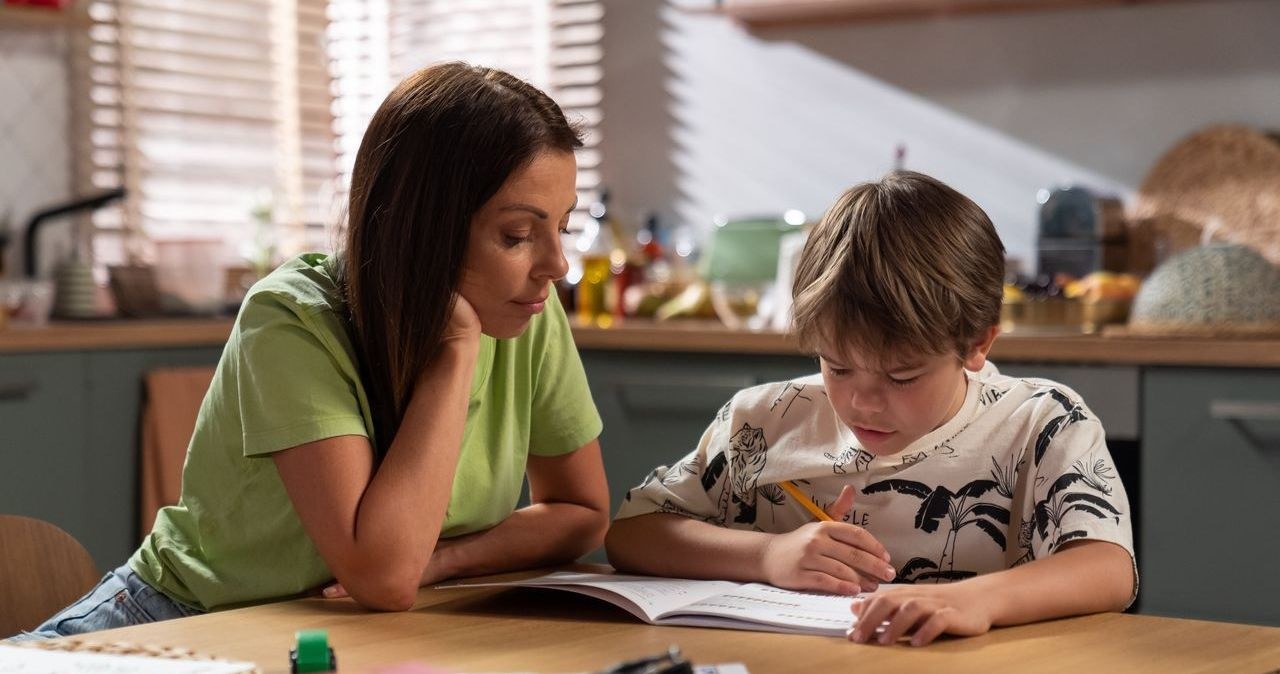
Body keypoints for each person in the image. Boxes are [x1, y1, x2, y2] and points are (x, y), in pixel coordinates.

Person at [14, 62, 609, 640]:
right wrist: (454, 350)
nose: (556, 267)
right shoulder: (291, 320)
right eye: (517, 236)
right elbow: (384, 576)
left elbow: (582, 511)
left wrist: (448, 560)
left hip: (355, 633)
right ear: (421, 229)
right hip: (180, 623)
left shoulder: (527, 311)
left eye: (562, 226)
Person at [605, 171, 1137, 647]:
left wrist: (975, 601)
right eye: (837, 367)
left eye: (901, 376)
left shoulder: (1041, 422)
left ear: (977, 344)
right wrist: (767, 555)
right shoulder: (765, 421)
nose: (861, 401)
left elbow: (1108, 568)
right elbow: (632, 532)